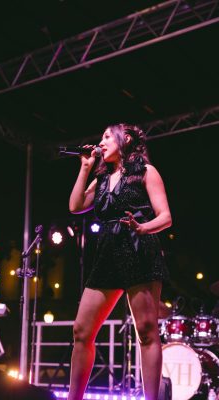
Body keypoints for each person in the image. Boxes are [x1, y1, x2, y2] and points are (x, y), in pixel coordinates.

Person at [68, 123, 172, 400]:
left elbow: (165, 216)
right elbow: (76, 206)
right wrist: (85, 167)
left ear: (125, 139)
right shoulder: (100, 180)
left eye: (105, 136)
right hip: (107, 252)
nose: (100, 143)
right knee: (81, 331)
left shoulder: (146, 172)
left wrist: (143, 228)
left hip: (139, 247)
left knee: (147, 331)